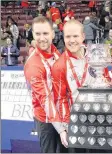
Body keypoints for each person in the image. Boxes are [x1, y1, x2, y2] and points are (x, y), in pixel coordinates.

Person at [51, 19, 97, 152]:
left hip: (96, 118)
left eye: (75, 36)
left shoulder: (94, 56)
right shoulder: (59, 65)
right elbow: (60, 99)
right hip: (75, 123)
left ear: (83, 36)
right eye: (68, 36)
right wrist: (66, 127)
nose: (72, 40)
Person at [24, 16, 67, 153]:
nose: (42, 38)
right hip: (46, 119)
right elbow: (45, 99)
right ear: (33, 35)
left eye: (45, 33)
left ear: (53, 34)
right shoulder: (33, 64)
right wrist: (61, 129)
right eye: (38, 34)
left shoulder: (55, 52)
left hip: (61, 114)